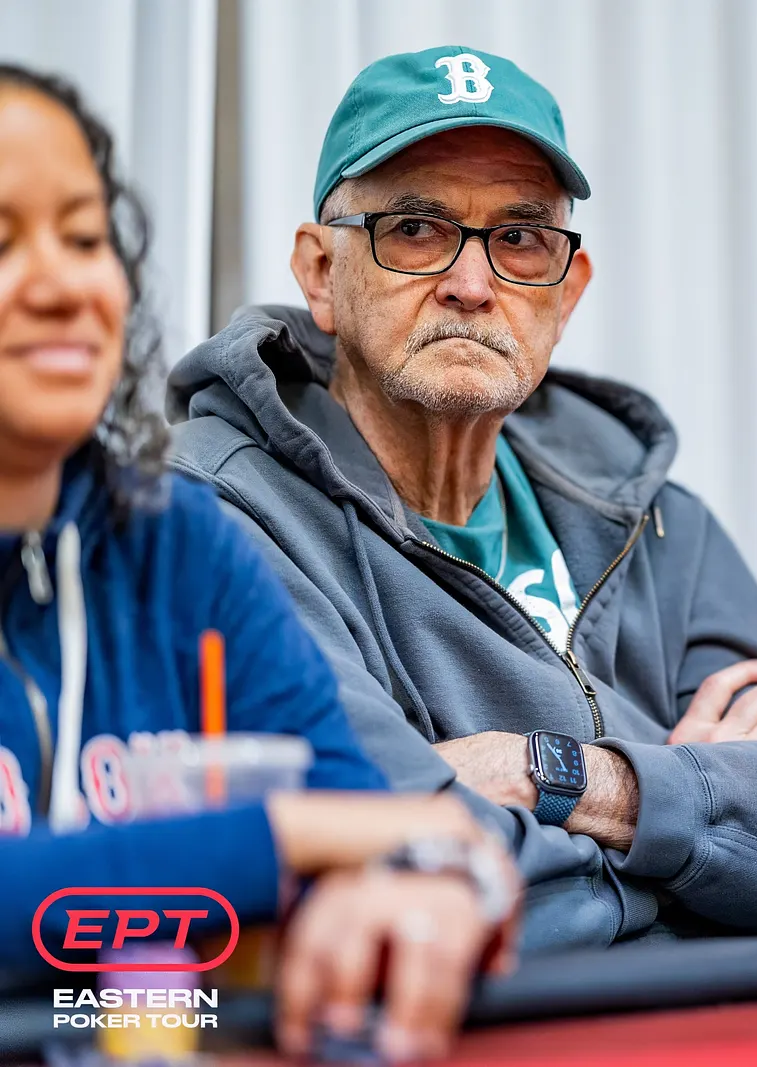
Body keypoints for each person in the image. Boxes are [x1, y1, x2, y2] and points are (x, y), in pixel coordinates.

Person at [167, 46, 757, 950]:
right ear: (320, 272)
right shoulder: (212, 517)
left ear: (568, 292)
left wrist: (548, 774)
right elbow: (367, 864)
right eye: (415, 228)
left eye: (520, 240)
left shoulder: (654, 515)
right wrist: (697, 819)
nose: (472, 286)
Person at [0, 65, 522, 1059]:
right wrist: (280, 839)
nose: (61, 285)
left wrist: (430, 885)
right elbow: (332, 823)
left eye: (83, 238)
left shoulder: (177, 542)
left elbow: (380, 828)